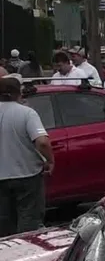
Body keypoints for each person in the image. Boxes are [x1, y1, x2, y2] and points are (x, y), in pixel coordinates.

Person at [0, 77, 54, 235]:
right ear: (19, 94)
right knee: (28, 220)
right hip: (27, 175)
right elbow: (42, 142)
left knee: (4, 222)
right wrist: (50, 160)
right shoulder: (27, 113)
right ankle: (26, 252)